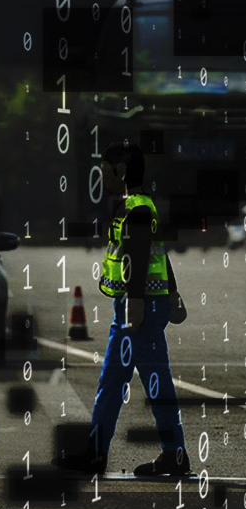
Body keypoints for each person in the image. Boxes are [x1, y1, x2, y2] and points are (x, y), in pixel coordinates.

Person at [57, 141, 190, 476]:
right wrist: (172, 293)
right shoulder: (136, 205)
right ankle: (102, 453)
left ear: (122, 172)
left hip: (139, 309)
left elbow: (140, 257)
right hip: (139, 307)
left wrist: (135, 304)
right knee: (120, 380)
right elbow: (157, 252)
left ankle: (168, 454)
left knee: (144, 380)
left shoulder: (137, 209)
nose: (101, 177)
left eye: (104, 171)